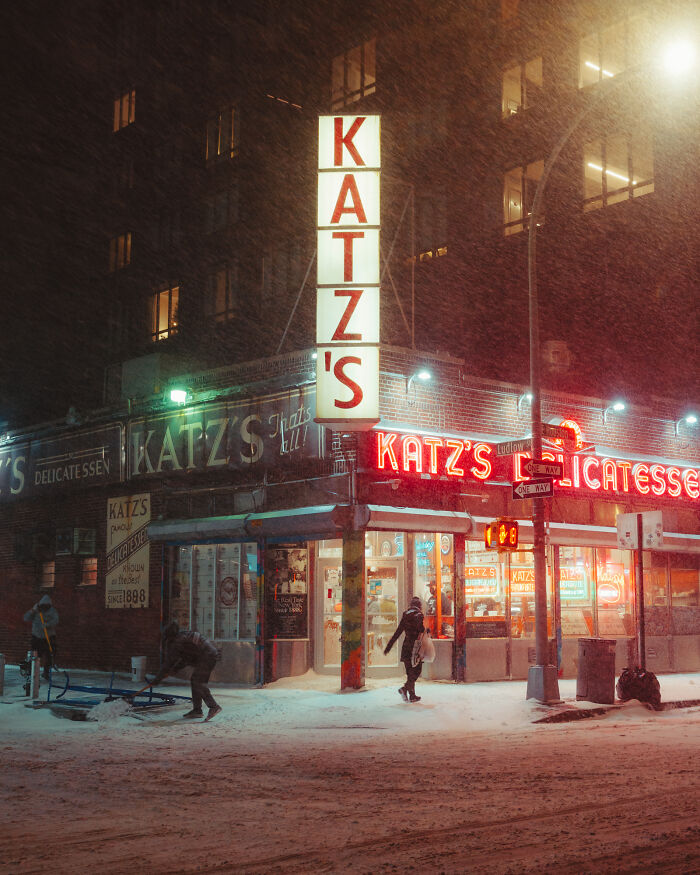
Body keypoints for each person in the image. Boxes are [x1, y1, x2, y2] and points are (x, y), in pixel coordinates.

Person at [151, 621, 222, 721]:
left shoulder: (177, 642)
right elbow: (186, 658)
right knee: (196, 681)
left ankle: (213, 706)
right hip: (208, 655)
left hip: (207, 656)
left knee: (198, 682)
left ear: (168, 636)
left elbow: (169, 663)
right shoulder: (182, 636)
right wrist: (175, 669)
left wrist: (157, 679)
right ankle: (197, 710)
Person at [384, 596, 425, 703]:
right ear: (419, 606)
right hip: (414, 648)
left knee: (410, 672)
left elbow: (398, 632)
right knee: (417, 670)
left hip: (406, 646)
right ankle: (405, 689)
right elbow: (420, 629)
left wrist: (389, 646)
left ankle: (412, 695)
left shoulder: (406, 615)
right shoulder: (419, 615)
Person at [24, 594, 59, 680]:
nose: (45, 607)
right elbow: (26, 618)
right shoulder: (36, 611)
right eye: (43, 606)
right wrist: (32, 610)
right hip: (37, 637)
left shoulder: (52, 611)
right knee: (35, 656)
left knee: (50, 655)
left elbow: (56, 620)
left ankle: (46, 672)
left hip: (49, 637)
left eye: (46, 606)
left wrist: (47, 625)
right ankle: (32, 672)